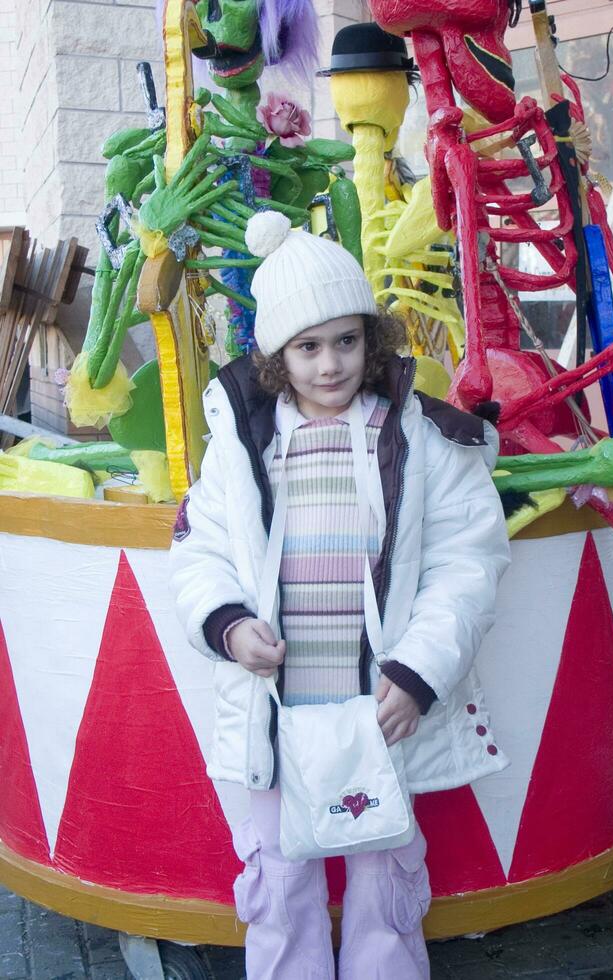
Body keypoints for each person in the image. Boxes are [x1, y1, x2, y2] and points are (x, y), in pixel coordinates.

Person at [169, 210, 510, 980]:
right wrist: (224, 625)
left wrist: (421, 672)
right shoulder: (241, 449)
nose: (330, 365)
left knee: (385, 883)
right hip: (275, 715)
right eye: (307, 347)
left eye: (346, 341)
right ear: (276, 356)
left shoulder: (422, 440)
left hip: (379, 712)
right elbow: (199, 551)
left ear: (371, 337)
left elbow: (467, 564)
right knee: (278, 881)